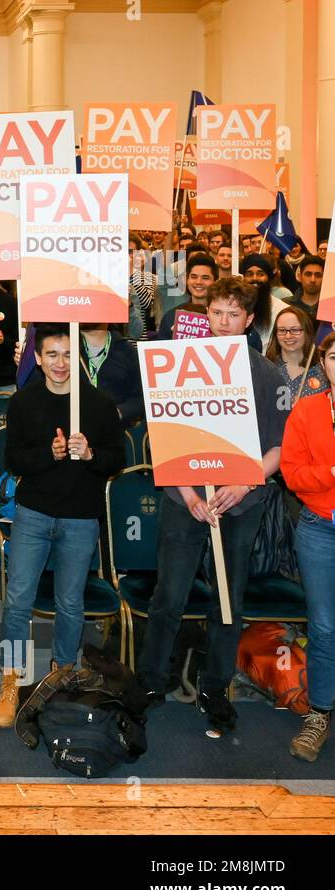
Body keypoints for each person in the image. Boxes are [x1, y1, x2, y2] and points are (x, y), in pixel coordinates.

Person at [137, 277, 288, 735]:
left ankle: (215, 686)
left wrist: (241, 486)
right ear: (208, 316)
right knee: (169, 595)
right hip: (186, 502)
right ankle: (150, 682)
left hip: (240, 504)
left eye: (233, 315)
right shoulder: (177, 365)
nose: (224, 322)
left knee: (228, 600)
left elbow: (279, 449)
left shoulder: (268, 375)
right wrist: (188, 494)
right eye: (216, 313)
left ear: (248, 321)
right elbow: (164, 439)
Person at [0, 324, 125, 727]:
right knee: (17, 601)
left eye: (67, 355)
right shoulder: (25, 402)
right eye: (51, 355)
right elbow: (14, 460)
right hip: (33, 514)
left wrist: (91, 454)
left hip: (81, 518)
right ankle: (11, 679)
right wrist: (49, 454)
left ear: (77, 357)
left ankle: (62, 674)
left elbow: (116, 460)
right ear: (38, 358)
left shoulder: (98, 405)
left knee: (70, 604)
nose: (60, 364)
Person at [279, 331, 335, 761]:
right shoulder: (307, 410)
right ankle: (319, 712)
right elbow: (293, 474)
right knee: (324, 627)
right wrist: (330, 473)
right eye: (334, 357)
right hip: (319, 528)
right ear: (323, 364)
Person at [265, 306, 327, 410]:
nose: (288, 336)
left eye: (295, 330)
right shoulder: (265, 369)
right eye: (282, 330)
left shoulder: (324, 372)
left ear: (307, 332)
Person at [156, 252, 217, 340]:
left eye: (205, 278)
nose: (198, 282)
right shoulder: (172, 316)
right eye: (193, 277)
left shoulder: (222, 317)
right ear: (186, 280)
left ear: (215, 281)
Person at [289, 255, 325, 320]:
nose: (313, 280)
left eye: (318, 275)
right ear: (299, 277)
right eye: (308, 274)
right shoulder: (286, 305)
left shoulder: (331, 306)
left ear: (324, 278)